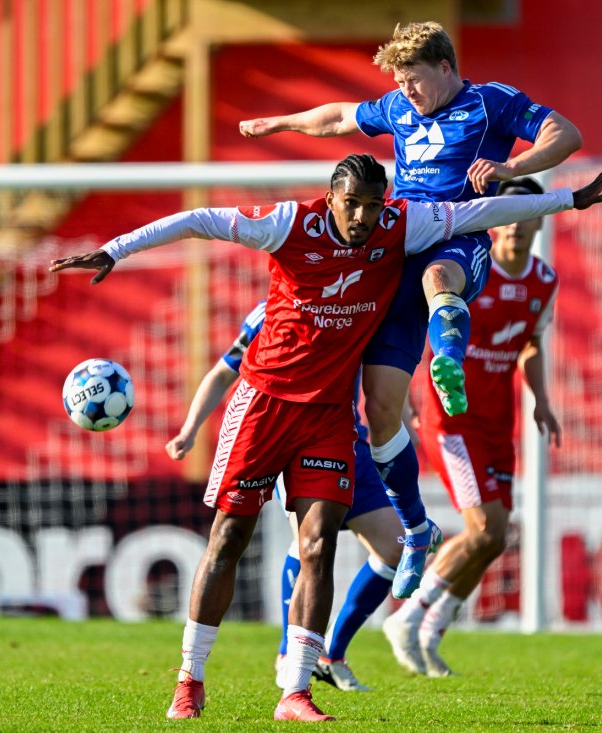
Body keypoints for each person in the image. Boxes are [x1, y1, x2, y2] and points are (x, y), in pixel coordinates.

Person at [49, 154, 602, 720]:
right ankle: (190, 680)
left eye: (374, 205)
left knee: (320, 544)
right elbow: (199, 219)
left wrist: (570, 200)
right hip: (263, 404)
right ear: (331, 199)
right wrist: (116, 249)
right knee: (229, 538)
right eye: (354, 205)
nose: (364, 217)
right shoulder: (288, 224)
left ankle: (296, 689)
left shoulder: (400, 224)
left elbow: (482, 212)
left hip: (328, 416)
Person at [239, 21, 583, 598]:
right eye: (398, 82)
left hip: (461, 237)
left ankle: (447, 362)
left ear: (445, 68)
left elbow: (565, 133)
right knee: (381, 410)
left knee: (440, 277)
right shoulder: (399, 107)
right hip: (394, 247)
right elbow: (339, 118)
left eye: (414, 80)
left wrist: (511, 170)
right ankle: (417, 528)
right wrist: (280, 123)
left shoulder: (489, 102)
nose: (407, 92)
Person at [164, 298, 407, 693]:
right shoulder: (272, 311)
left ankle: (330, 654)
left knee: (396, 546)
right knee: (306, 541)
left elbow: (384, 374)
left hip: (349, 441)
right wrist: (191, 429)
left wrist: (402, 417)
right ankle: (286, 656)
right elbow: (224, 372)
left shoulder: (362, 303)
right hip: (287, 438)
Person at [383, 177, 561, 677]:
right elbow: (420, 331)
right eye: (511, 213)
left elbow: (529, 344)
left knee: (497, 537)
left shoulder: (543, 281)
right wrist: (399, 401)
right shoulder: (466, 273)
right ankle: (408, 619)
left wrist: (542, 399)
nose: (520, 225)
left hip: (497, 421)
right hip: (451, 420)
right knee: (483, 526)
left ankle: (432, 627)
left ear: (540, 219)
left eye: (530, 214)